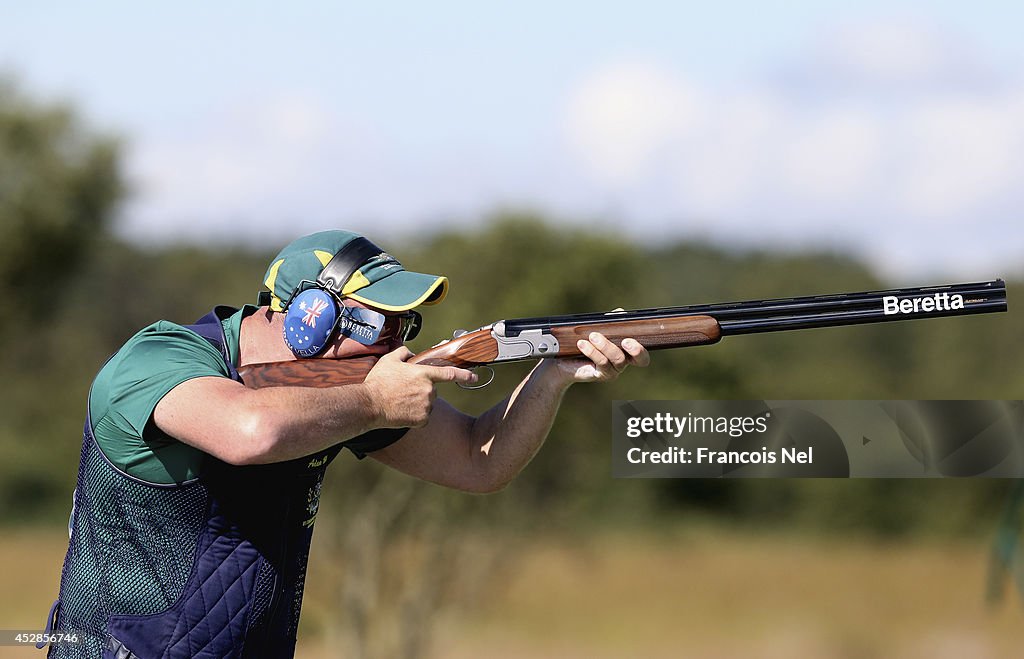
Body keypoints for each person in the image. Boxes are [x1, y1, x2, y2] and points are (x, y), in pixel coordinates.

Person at [44, 230, 649, 659]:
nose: (395, 346)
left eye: (405, 327)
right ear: (308, 316)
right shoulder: (158, 358)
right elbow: (251, 433)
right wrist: (375, 403)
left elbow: (477, 461)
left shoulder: (348, 394)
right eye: (378, 325)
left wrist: (555, 372)